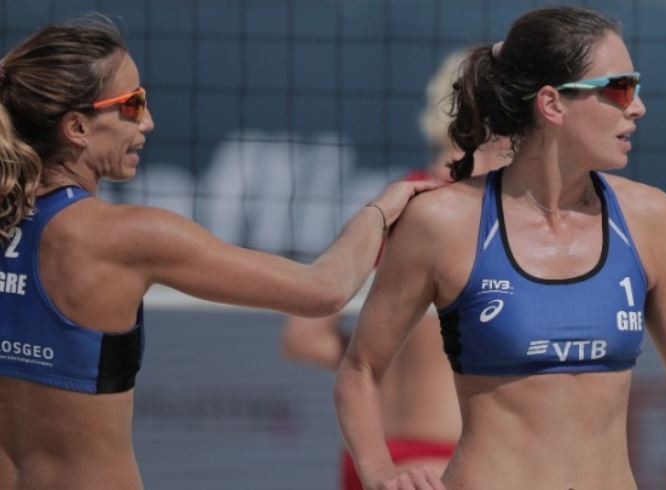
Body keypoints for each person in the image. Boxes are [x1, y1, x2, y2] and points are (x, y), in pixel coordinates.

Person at [0, 15, 440, 489]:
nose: (148, 120)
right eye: (132, 104)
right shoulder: (126, 236)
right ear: (78, 127)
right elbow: (325, 290)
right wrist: (382, 208)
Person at [334, 6, 666, 490]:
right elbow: (359, 368)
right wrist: (378, 472)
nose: (638, 106)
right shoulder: (443, 221)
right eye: (620, 87)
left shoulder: (652, 219)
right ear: (552, 104)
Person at [282, 50, 508, 490]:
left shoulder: (393, 201)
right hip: (446, 465)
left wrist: (379, 359)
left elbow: (302, 338)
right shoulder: (487, 208)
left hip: (373, 458)